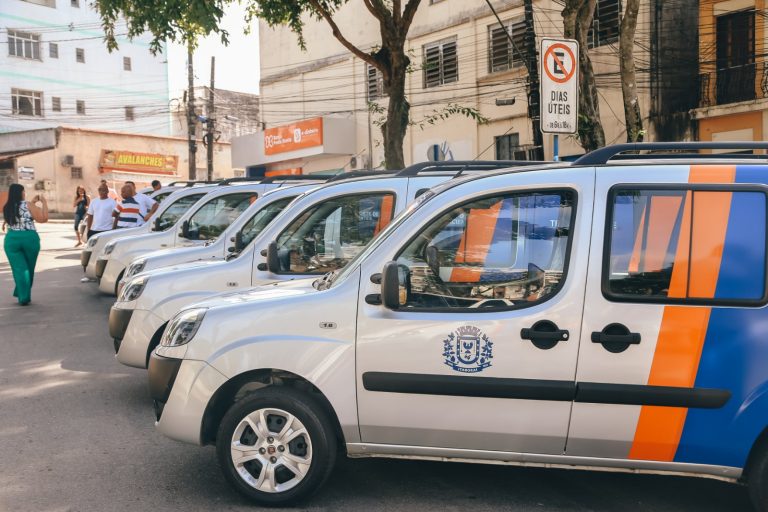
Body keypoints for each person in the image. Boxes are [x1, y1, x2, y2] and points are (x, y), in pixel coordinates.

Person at [2, 184, 48, 305]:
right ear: (21, 193)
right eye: (24, 191)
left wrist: (32, 203)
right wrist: (44, 203)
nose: (24, 193)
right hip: (29, 239)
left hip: (11, 239)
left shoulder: (7, 207)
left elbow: (18, 215)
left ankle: (21, 292)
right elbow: (43, 218)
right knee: (28, 269)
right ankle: (24, 296)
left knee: (19, 269)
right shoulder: (28, 205)